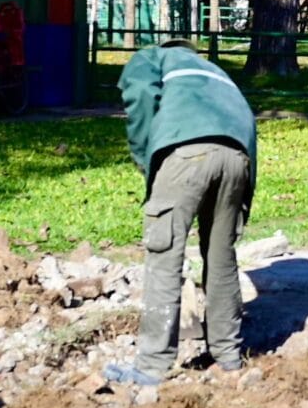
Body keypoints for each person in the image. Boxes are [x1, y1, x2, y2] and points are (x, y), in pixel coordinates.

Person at [105, 44, 258, 387]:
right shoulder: (216, 74)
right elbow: (247, 123)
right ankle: (228, 357)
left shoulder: (152, 57)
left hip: (185, 154)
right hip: (238, 157)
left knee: (164, 255)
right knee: (221, 257)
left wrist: (147, 157)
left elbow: (141, 92)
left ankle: (151, 368)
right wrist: (244, 195)